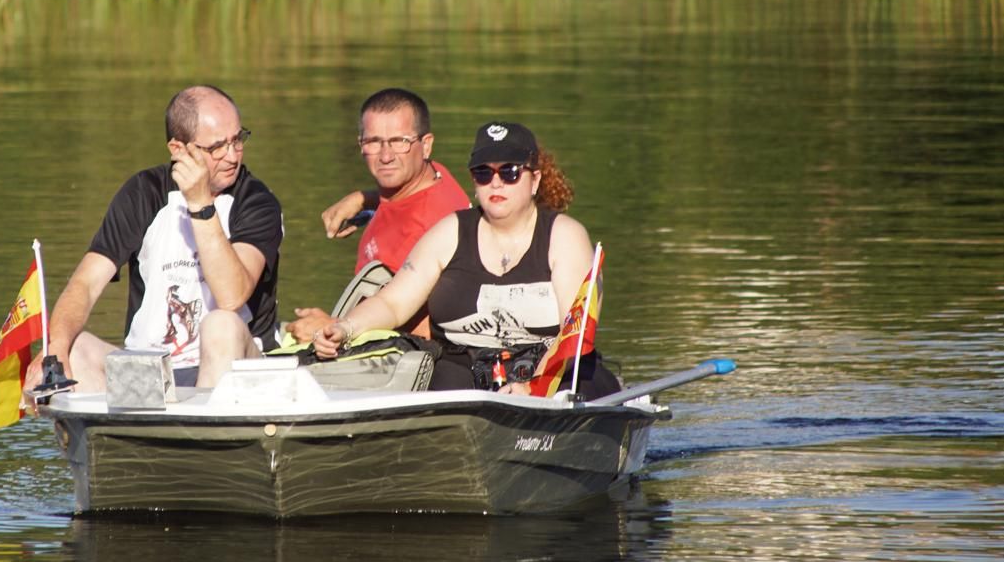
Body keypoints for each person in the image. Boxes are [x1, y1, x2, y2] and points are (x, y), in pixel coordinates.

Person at [312, 120, 616, 396]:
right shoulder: (449, 232)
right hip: (463, 371)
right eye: (484, 173)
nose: (495, 183)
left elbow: (572, 333)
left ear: (534, 180)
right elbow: (393, 303)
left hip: (554, 371)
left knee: (582, 384)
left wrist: (533, 387)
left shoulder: (565, 237)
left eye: (509, 172)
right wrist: (344, 329)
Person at [32, 85, 283, 391]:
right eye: (217, 147)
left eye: (238, 140)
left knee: (221, 324)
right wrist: (54, 349)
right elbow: (85, 283)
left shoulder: (256, 201)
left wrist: (202, 206)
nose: (233, 156)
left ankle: (207, 432)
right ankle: (121, 433)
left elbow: (232, 296)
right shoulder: (144, 193)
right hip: (151, 374)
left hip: (236, 370)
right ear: (178, 149)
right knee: (73, 346)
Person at [285, 88, 469, 342]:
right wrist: (365, 199)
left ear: (425, 145)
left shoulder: (428, 231)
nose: (385, 156)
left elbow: (427, 330)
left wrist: (329, 327)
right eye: (373, 142)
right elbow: (407, 199)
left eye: (399, 141)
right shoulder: (435, 177)